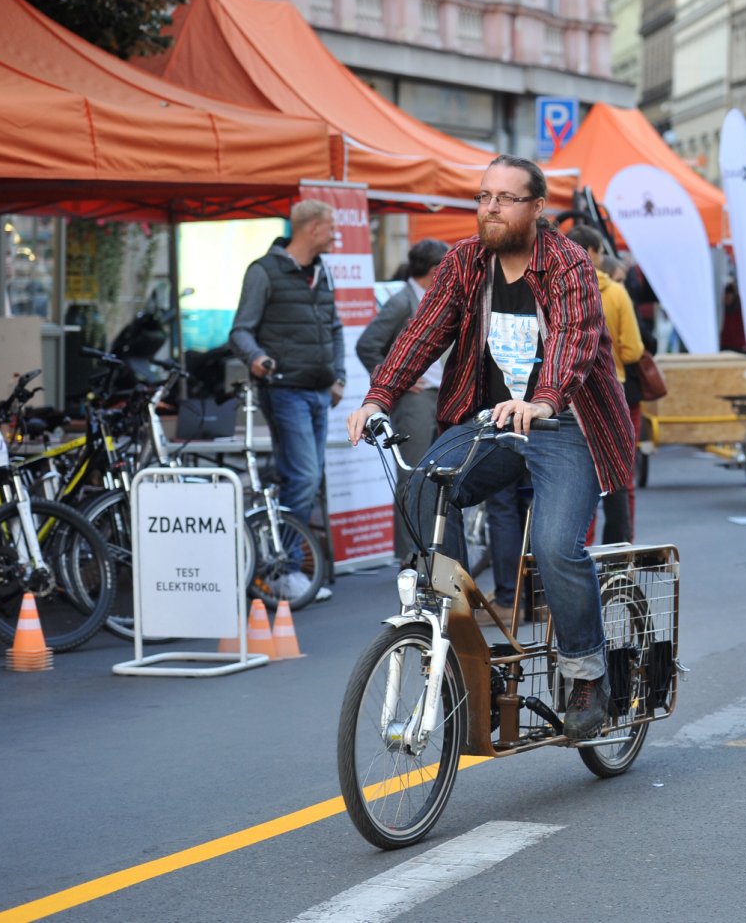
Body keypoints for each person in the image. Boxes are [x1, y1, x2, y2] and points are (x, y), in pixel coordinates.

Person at [346, 154, 631, 741]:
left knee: (555, 547)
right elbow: (422, 333)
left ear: (536, 208)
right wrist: (378, 397)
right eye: (483, 197)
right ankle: (440, 623)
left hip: (564, 424)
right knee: (422, 485)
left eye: (505, 198)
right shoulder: (464, 262)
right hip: (492, 422)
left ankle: (586, 675)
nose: (491, 208)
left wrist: (543, 400)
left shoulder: (569, 265)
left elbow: (575, 340)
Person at [230, 198, 344, 603]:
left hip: (317, 391)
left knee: (302, 478)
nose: (335, 234)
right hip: (285, 390)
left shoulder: (320, 272)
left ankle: (279, 557)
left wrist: (339, 376)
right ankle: (285, 568)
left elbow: (334, 328)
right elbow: (240, 330)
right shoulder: (264, 271)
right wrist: (257, 359)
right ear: (312, 228)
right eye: (331, 227)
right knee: (304, 477)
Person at [356, 238, 450, 562]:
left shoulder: (431, 297)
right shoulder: (401, 301)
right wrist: (394, 379)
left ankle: (432, 551)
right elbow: (366, 345)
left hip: (439, 397)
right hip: (415, 402)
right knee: (412, 476)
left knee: (436, 475)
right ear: (436, 269)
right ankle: (410, 555)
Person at [568, 224, 645, 544]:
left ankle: (578, 549)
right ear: (593, 253)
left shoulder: (557, 288)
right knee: (619, 477)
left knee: (577, 477)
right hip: (617, 390)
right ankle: (619, 550)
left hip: (569, 394)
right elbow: (633, 349)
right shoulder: (614, 292)